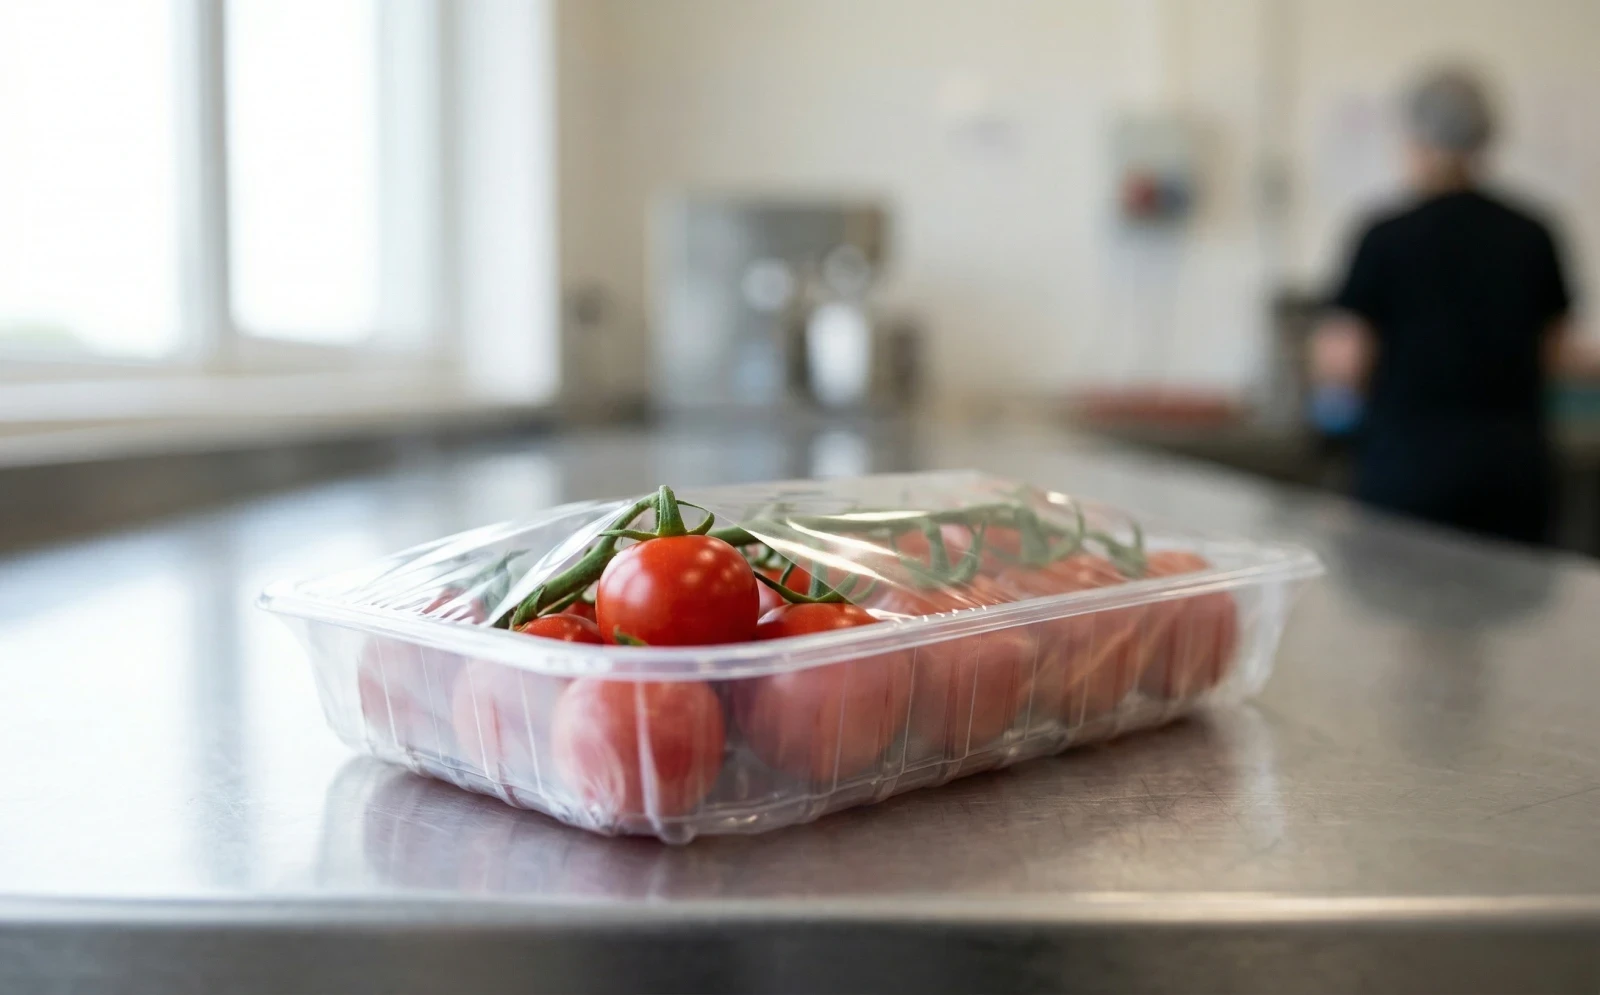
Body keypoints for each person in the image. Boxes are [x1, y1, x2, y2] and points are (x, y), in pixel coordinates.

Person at [1312, 66, 1595, 544]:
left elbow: (1345, 359)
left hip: (1406, 470)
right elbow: (1557, 354)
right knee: (1509, 611)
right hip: (1512, 474)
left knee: (1401, 610)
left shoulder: (1385, 236)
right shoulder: (1532, 234)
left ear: (1414, 139)